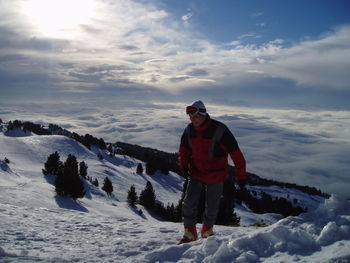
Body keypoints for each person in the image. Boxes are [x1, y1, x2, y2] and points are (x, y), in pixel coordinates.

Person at [178, 100, 247, 244]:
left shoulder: (220, 130)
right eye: (190, 117)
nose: (193, 120)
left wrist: (241, 176)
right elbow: (184, 149)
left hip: (216, 175)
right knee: (188, 203)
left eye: (195, 117)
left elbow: (236, 154)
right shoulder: (189, 130)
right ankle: (190, 234)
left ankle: (207, 231)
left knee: (211, 207)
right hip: (196, 172)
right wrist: (183, 165)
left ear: (203, 114)